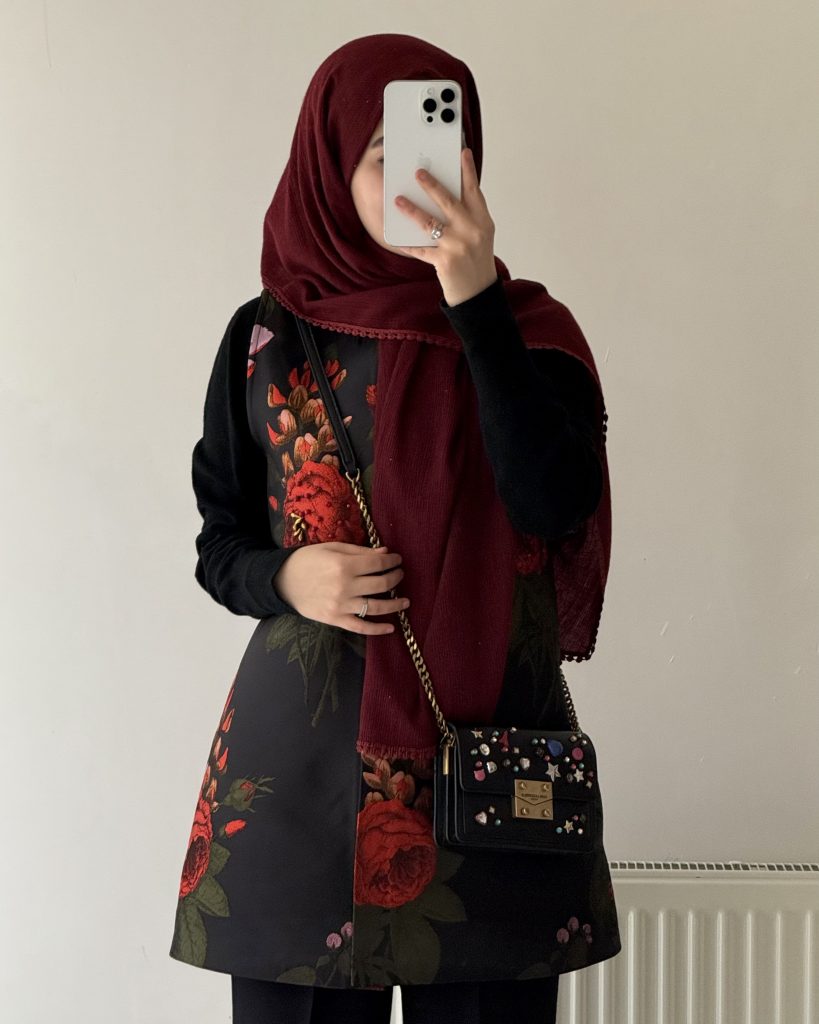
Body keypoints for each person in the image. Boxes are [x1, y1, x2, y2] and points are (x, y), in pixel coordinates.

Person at [168, 32, 621, 1024]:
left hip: (488, 772)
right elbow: (219, 540)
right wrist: (288, 579)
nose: (417, 177)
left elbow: (554, 505)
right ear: (328, 166)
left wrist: (475, 304)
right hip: (303, 782)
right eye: (385, 153)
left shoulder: (532, 333)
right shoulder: (265, 338)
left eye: (442, 150)